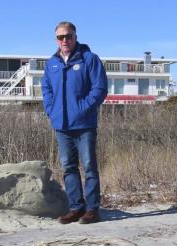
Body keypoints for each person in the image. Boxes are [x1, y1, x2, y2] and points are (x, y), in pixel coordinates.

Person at [42, 21, 108, 224]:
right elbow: (47, 90)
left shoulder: (89, 59)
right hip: (61, 126)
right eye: (60, 37)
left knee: (89, 167)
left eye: (68, 36)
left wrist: (82, 109)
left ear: (75, 37)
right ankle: (76, 208)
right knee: (69, 167)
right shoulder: (51, 63)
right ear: (56, 40)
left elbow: (99, 89)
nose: (64, 40)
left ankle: (92, 209)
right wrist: (52, 112)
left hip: (84, 125)